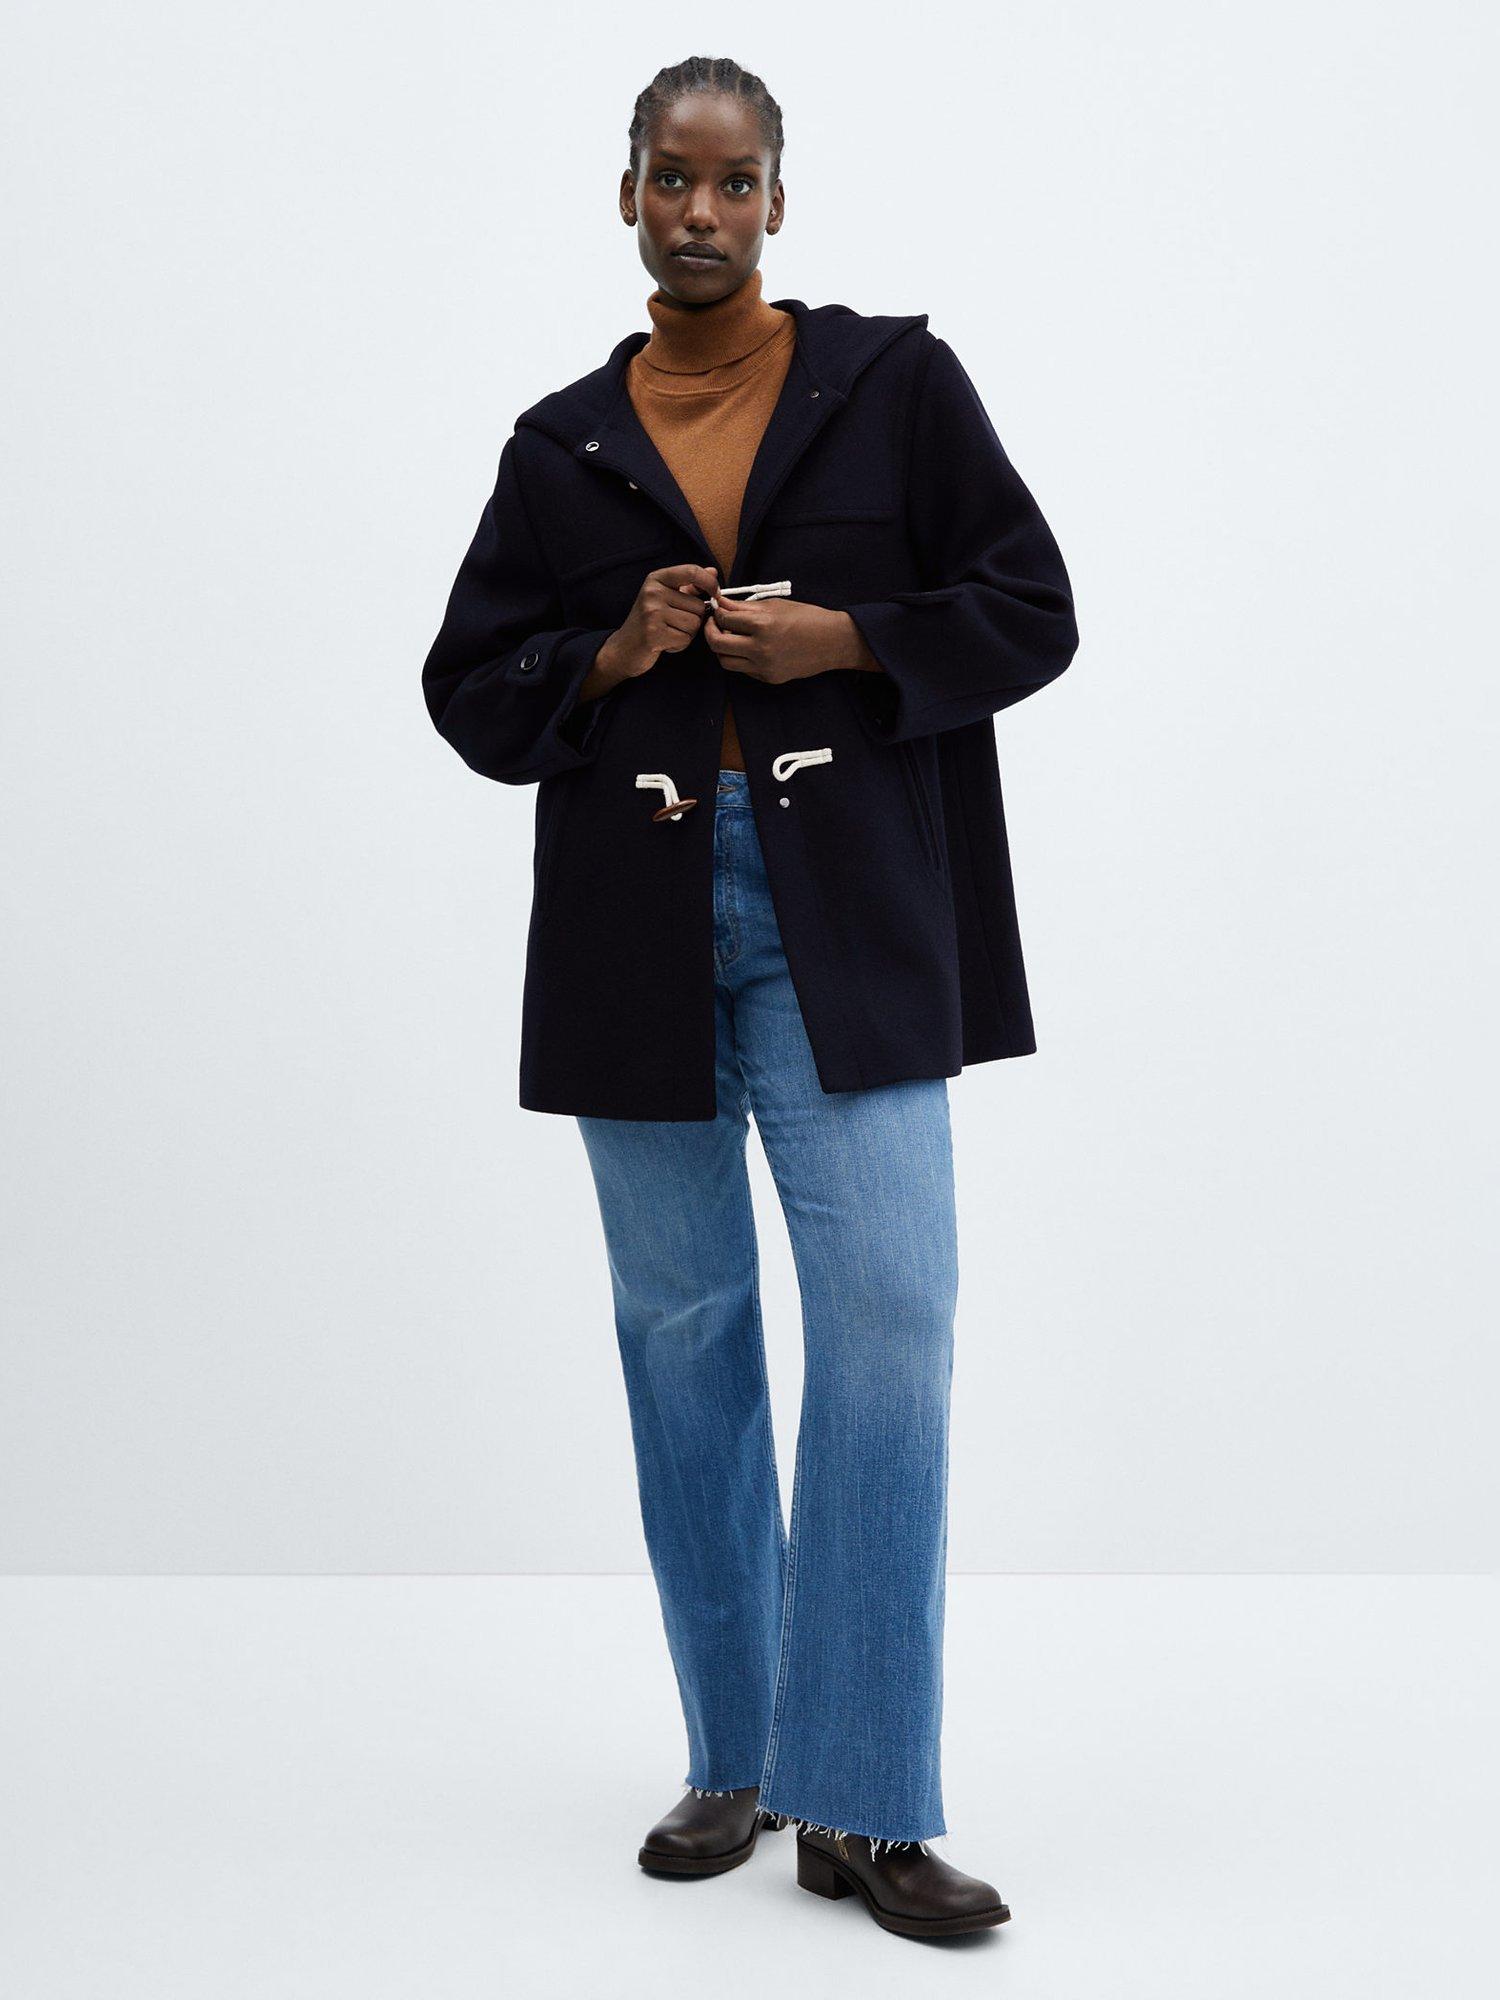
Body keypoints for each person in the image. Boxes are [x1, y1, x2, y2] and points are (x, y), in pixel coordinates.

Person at [421, 55, 1078, 1941]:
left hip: (842, 914)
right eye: (669, 178)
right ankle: (738, 1751)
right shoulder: (558, 445)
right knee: (684, 1331)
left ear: (779, 200)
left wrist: (844, 639)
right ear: (626, 193)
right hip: (632, 931)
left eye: (732, 182)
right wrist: (607, 651)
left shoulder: (892, 388)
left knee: (891, 1317)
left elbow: (1032, 608)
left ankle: (861, 1800)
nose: (698, 212)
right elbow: (468, 691)